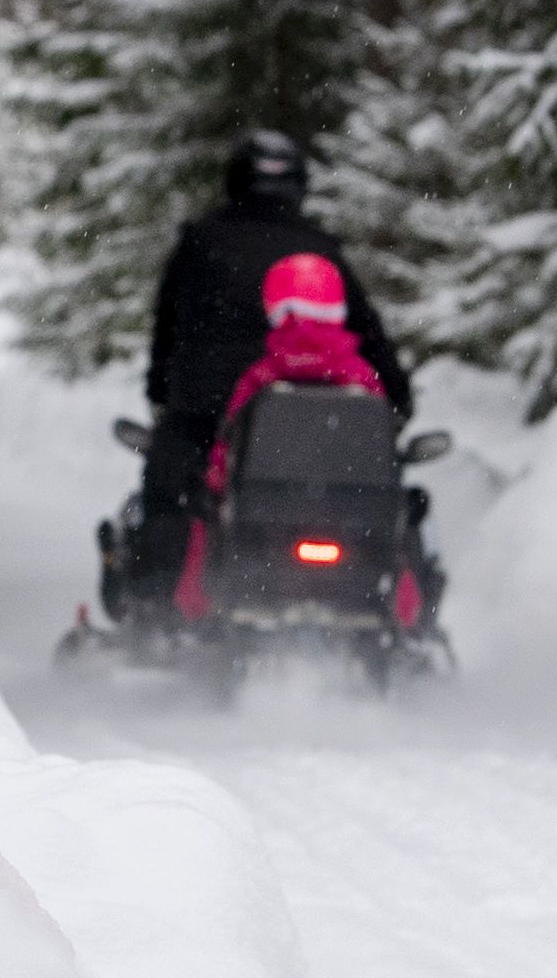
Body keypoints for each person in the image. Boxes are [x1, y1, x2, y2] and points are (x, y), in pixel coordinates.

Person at [114, 132, 409, 617]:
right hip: (304, 425)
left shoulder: (200, 242)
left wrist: (164, 390)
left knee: (171, 497)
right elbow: (368, 334)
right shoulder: (320, 252)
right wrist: (394, 399)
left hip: (206, 411)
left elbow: (167, 329)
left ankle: (159, 612)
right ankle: (394, 611)